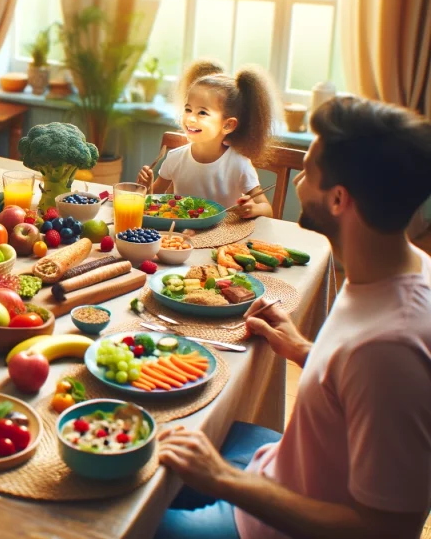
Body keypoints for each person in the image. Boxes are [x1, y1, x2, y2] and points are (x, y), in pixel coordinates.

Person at [155, 96, 431, 539]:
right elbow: (359, 383)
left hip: (267, 524)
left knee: (107, 525)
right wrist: (304, 349)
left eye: (309, 172)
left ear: (339, 199)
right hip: (278, 465)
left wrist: (224, 479)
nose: (298, 181)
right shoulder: (398, 266)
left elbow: (386, 529)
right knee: (143, 460)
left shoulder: (390, 349)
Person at [137, 59, 276, 219]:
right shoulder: (174, 158)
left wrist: (253, 209)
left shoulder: (239, 164)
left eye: (202, 113)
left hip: (223, 238)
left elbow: (267, 210)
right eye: (188, 109)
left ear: (228, 125)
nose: (190, 118)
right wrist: (146, 188)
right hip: (177, 238)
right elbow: (153, 202)